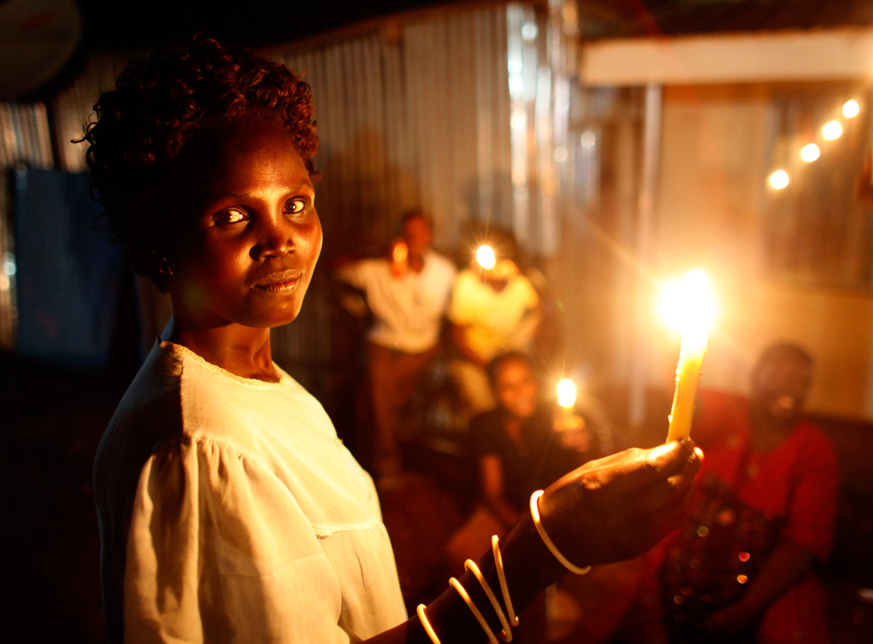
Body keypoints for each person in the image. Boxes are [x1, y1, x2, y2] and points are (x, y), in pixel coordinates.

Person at [87, 36, 701, 644]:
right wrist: (541, 549)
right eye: (232, 216)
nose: (282, 240)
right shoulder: (203, 448)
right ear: (160, 242)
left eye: (296, 204)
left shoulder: (262, 389)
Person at [622, 343, 839, 644]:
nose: (791, 386)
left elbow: (803, 542)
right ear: (755, 376)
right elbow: (691, 409)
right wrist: (679, 357)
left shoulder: (814, 450)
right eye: (779, 375)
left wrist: (747, 608)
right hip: (677, 566)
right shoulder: (728, 412)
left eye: (802, 380)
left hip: (761, 587)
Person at [333, 211, 457, 481]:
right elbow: (336, 267)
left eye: (419, 232)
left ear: (430, 236)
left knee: (372, 396)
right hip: (384, 341)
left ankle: (379, 461)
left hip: (424, 345)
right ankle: (386, 461)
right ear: (399, 235)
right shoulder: (376, 268)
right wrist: (377, 252)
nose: (413, 238)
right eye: (408, 233)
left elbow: (457, 314)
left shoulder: (444, 272)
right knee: (378, 377)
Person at [448, 352, 599, 568]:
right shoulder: (486, 425)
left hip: (553, 512)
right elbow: (493, 495)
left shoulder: (553, 418)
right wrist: (526, 530)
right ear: (494, 391)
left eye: (525, 381)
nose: (519, 392)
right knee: (462, 554)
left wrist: (582, 445)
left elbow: (586, 472)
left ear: (536, 382)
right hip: (506, 513)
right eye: (508, 386)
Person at [447, 229, 542, 416]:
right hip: (477, 356)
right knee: (483, 404)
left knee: (523, 397)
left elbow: (545, 314)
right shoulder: (466, 284)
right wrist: (487, 366)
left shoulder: (523, 284)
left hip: (513, 352)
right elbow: (457, 336)